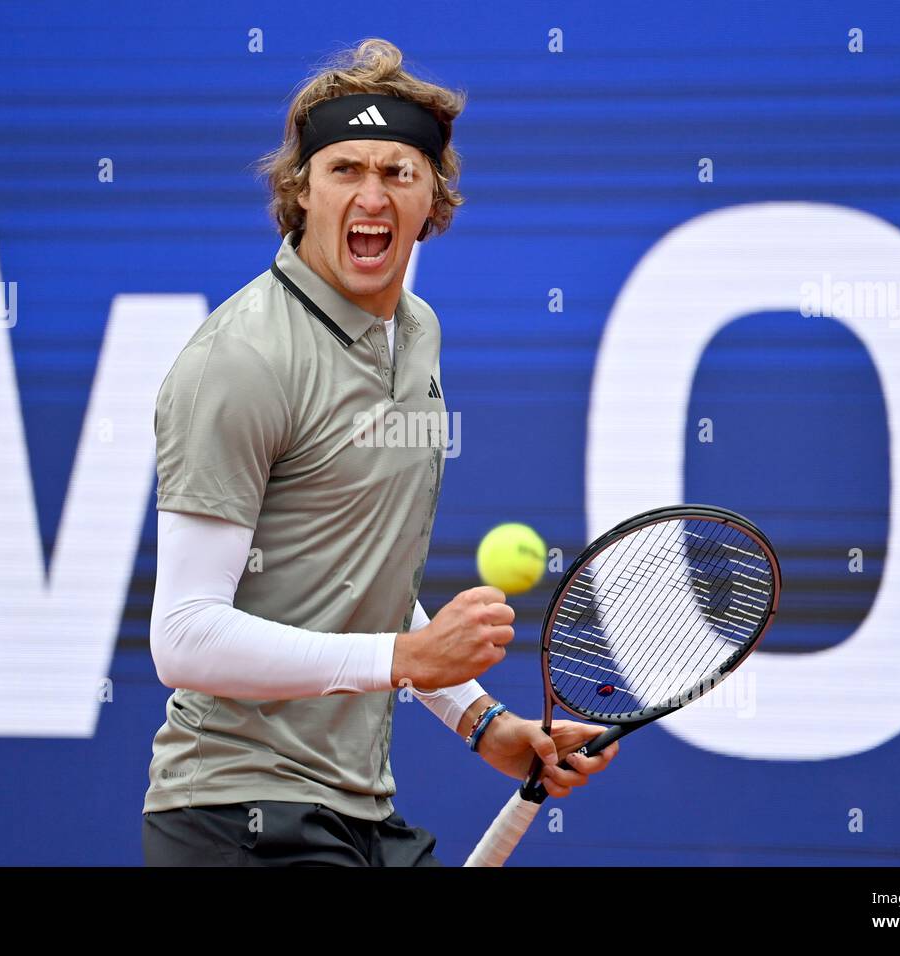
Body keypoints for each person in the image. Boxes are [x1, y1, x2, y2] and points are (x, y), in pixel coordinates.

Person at [141, 37, 617, 867]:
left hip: (356, 808)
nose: (373, 194)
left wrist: (483, 723)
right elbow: (181, 637)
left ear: (434, 197)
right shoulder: (241, 360)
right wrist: (403, 661)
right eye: (344, 170)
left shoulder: (417, 335)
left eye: (399, 172)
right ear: (301, 192)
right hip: (234, 815)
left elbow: (364, 580)